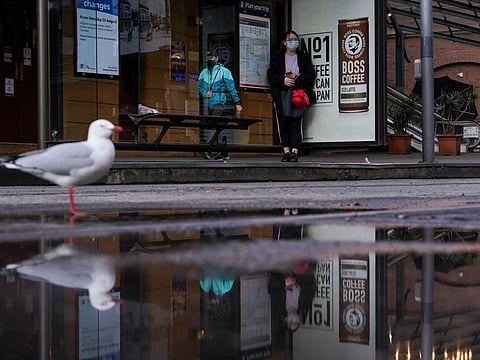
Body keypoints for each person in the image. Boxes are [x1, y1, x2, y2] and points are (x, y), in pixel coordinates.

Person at [268, 30, 315, 162]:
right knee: (283, 122)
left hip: (298, 93)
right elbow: (271, 75)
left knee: (296, 121)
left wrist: (297, 78)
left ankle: (295, 150)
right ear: (284, 42)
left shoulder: (303, 57)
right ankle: (286, 150)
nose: (293, 42)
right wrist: (283, 80)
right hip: (282, 93)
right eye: (290, 39)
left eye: (295, 39)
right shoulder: (277, 58)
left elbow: (310, 74)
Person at [198, 50, 243, 116]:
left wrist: (237, 102)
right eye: (208, 58)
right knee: (207, 124)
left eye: (211, 57)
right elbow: (200, 86)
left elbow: (231, 88)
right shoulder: (203, 72)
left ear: (217, 58)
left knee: (214, 121)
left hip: (219, 103)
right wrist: (205, 93)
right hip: (206, 104)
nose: (209, 59)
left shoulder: (224, 71)